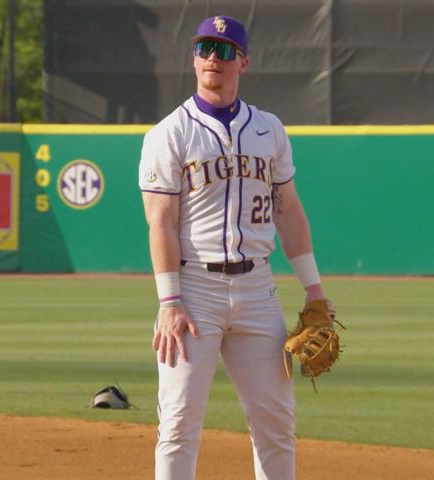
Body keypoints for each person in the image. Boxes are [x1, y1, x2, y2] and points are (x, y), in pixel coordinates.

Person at [138, 14, 327, 480]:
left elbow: (289, 212)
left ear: (243, 61)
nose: (212, 59)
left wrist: (314, 292)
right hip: (194, 289)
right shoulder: (169, 134)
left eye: (223, 50)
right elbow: (159, 223)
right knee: (179, 424)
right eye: (204, 48)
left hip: (258, 290)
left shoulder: (268, 129)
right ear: (193, 58)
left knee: (276, 422)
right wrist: (170, 301)